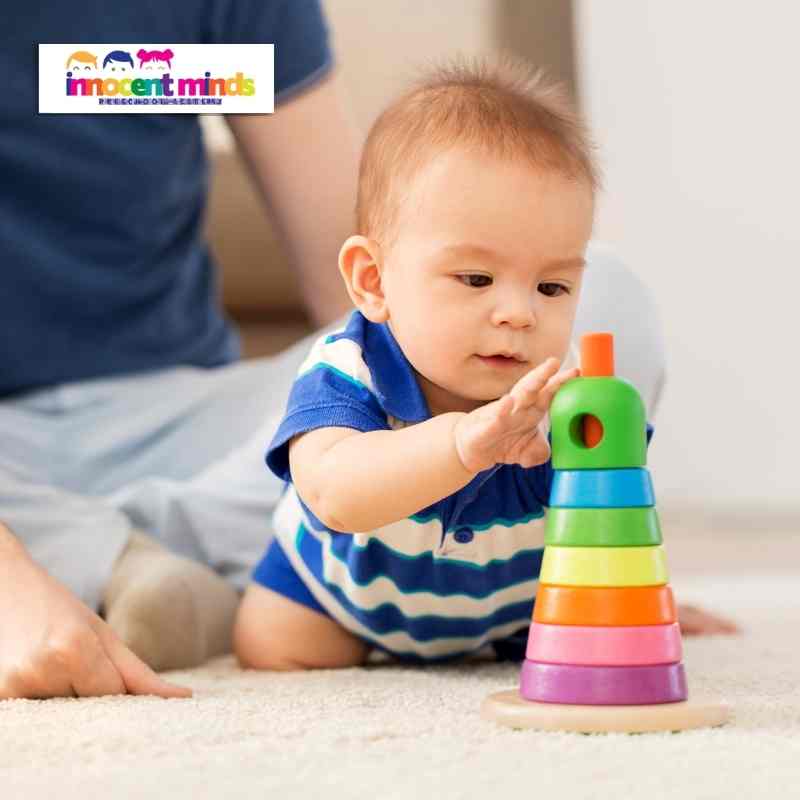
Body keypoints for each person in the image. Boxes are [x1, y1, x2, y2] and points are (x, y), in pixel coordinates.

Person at [232, 58, 740, 670]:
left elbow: (611, 506)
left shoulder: (567, 394)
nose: (519, 313)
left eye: (552, 288)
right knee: (271, 644)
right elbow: (335, 493)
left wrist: (627, 595)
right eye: (476, 278)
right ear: (373, 281)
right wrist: (463, 443)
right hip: (340, 596)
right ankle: (199, 596)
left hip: (514, 608)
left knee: (575, 634)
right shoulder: (349, 369)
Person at [0, 0, 360, 699]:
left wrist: (410, 433)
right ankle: (184, 563)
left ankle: (141, 550)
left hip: (189, 436)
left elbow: (364, 285)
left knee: (584, 303)